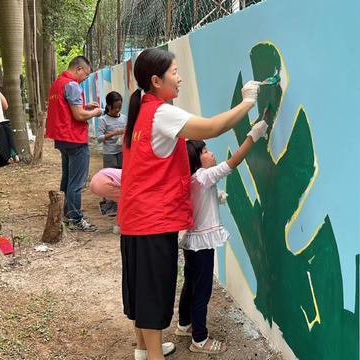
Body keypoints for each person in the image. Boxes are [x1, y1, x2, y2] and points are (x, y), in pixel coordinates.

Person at [117, 47, 261, 360]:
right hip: (153, 220)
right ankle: (153, 356)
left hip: (134, 217)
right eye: (174, 73)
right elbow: (212, 127)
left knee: (141, 288)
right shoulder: (161, 112)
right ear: (156, 80)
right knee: (155, 293)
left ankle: (143, 349)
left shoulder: (140, 107)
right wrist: (248, 101)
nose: (180, 79)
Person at [175, 120, 268, 354]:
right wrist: (252, 137)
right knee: (202, 290)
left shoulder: (194, 179)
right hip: (201, 244)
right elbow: (233, 162)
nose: (210, 153)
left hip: (192, 243)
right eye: (205, 151)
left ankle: (184, 324)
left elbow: (199, 200)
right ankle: (200, 339)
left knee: (191, 284)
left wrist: (216, 197)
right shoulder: (203, 175)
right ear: (197, 160)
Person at [45, 56, 103, 232]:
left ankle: (65, 213)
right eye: (86, 74)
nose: (85, 78)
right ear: (79, 69)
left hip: (62, 138)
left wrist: (85, 105)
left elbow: (66, 108)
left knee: (67, 177)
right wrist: (95, 112)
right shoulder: (72, 85)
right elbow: (78, 115)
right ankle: (76, 219)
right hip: (74, 137)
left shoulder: (57, 83)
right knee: (76, 183)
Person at [96, 91, 127, 216]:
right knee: (110, 180)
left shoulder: (124, 118)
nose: (117, 109)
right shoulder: (103, 120)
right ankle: (110, 207)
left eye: (119, 107)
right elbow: (99, 138)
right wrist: (114, 133)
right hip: (109, 153)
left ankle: (122, 205)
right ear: (109, 106)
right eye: (115, 107)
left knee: (123, 178)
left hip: (122, 152)